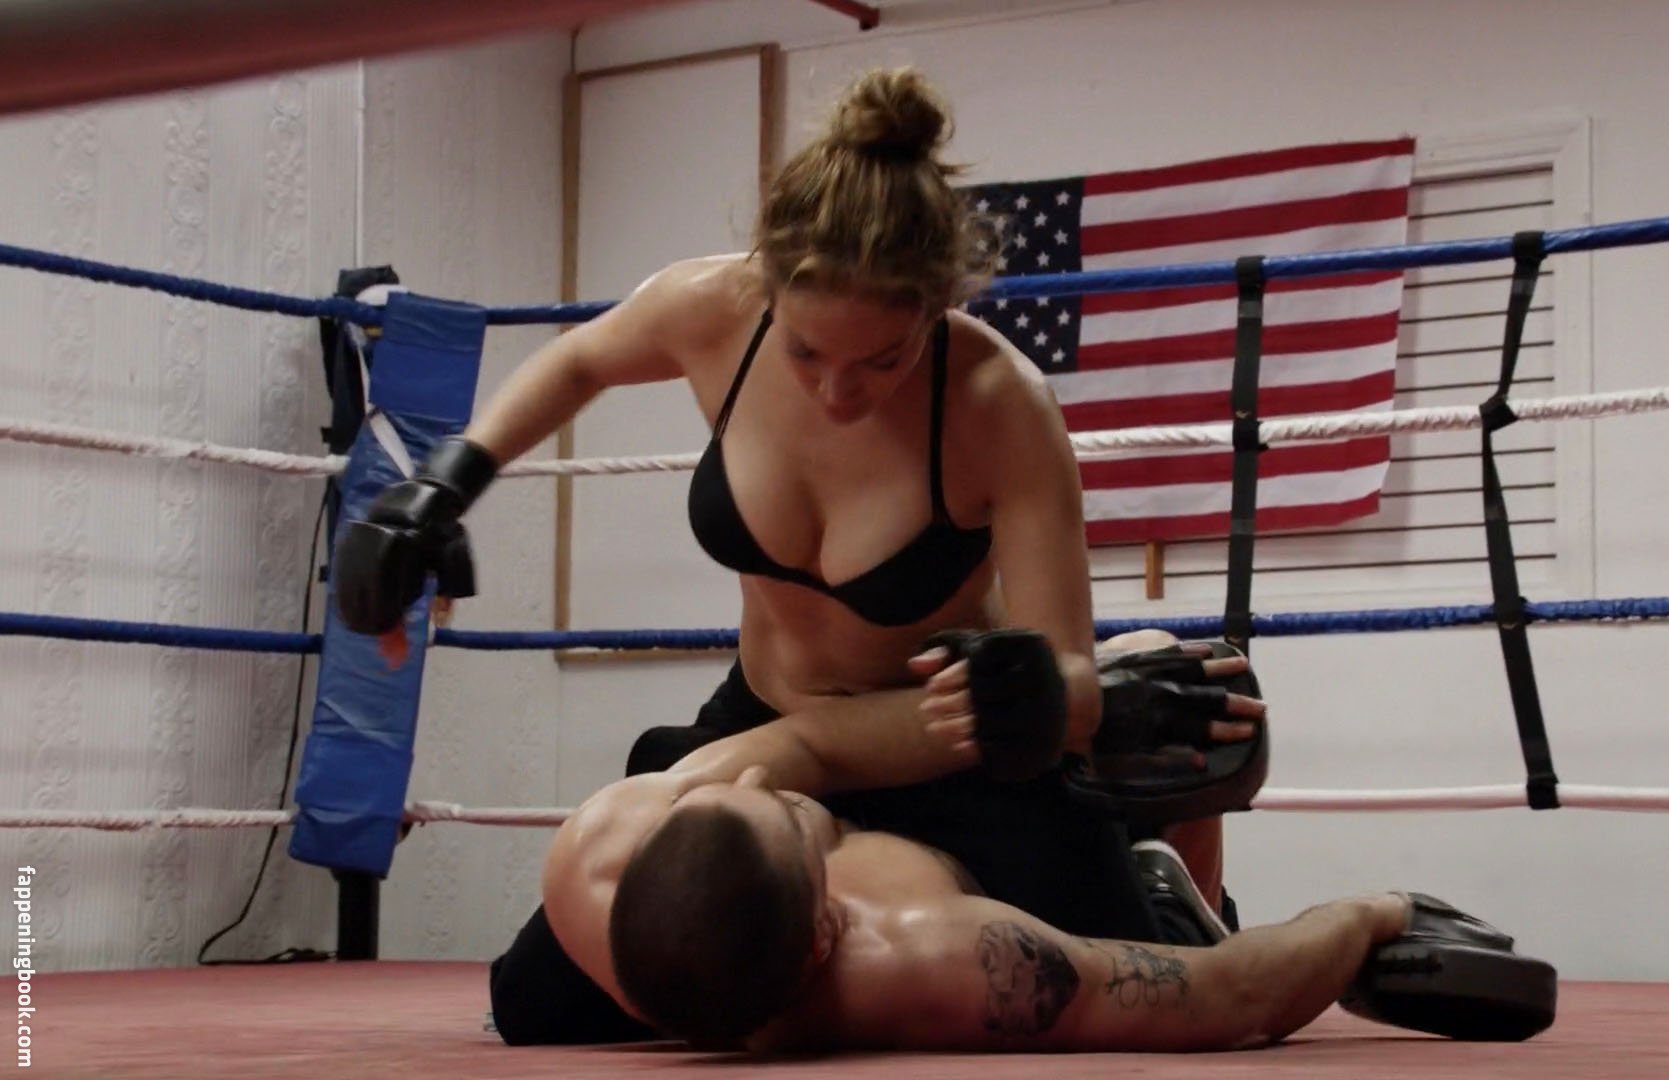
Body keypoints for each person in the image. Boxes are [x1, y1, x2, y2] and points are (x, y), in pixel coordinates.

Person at [330, 66, 1264, 1044]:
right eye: (808, 352)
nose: (837, 393)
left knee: (1144, 992)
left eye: (882, 360)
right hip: (768, 728)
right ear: (768, 286)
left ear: (934, 310)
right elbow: (580, 359)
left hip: (939, 742)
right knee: (540, 1005)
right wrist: (445, 484)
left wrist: (1047, 691)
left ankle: (1154, 871)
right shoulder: (712, 310)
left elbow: (1064, 675)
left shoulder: (1000, 404)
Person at [537, 696, 1557, 1053]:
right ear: (824, 933)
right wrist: (1373, 913)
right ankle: (1167, 889)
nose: (760, 781)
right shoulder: (940, 956)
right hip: (999, 845)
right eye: (796, 822)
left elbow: (798, 744)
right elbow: (1228, 998)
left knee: (528, 1000)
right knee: (1181, 706)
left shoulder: (594, 857)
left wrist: (1055, 700)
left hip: (862, 759)